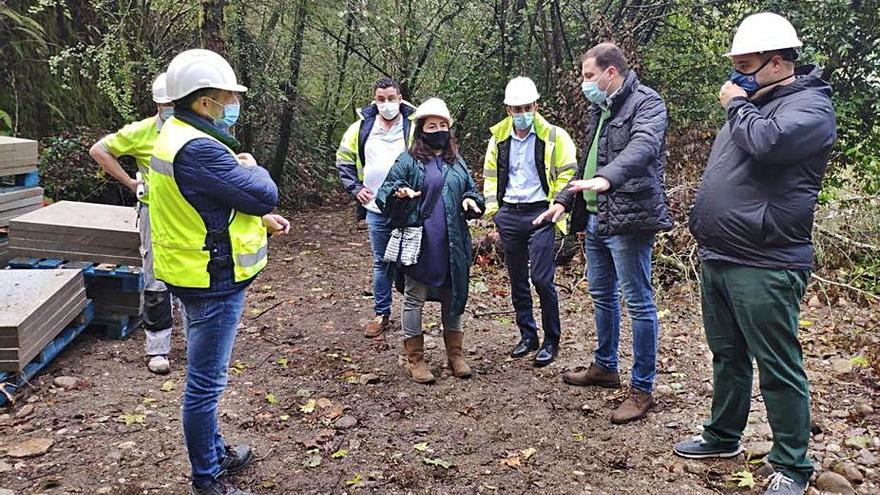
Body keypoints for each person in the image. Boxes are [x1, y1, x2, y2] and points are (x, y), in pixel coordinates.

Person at [672, 13, 836, 495]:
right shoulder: (755, 104)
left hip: (766, 260)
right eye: (736, 67)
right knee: (727, 353)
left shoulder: (810, 108)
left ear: (779, 61)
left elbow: (768, 144)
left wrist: (737, 106)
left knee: (777, 363)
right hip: (721, 253)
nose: (735, 77)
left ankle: (792, 463)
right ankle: (723, 435)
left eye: (746, 65)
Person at [151, 48, 290, 495]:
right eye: (228, 96)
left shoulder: (175, 133)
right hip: (211, 280)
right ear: (204, 101)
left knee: (204, 376)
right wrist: (254, 168)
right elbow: (263, 193)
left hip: (192, 272)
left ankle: (215, 454)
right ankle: (207, 481)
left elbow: (209, 204)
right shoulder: (199, 150)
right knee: (205, 386)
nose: (234, 103)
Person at [536, 42, 673, 423]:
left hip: (629, 218)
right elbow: (587, 164)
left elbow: (643, 148)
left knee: (639, 302)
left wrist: (605, 179)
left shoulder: (647, 103)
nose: (585, 83)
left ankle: (642, 389)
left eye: (588, 75)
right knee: (602, 296)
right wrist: (565, 199)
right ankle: (605, 367)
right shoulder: (602, 108)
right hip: (597, 219)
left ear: (610, 72)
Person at [375, 97, 484, 384]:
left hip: (453, 242)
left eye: (443, 124)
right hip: (420, 242)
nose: (438, 129)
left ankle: (455, 354)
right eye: (432, 125)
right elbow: (385, 190)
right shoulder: (408, 160)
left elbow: (473, 190)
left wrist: (472, 200)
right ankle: (416, 359)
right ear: (421, 129)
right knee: (414, 297)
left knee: (453, 295)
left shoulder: (457, 162)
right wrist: (399, 192)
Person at [482, 76, 577, 367]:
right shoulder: (498, 138)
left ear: (536, 105)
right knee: (517, 280)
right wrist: (494, 212)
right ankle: (527, 334)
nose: (523, 114)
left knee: (541, 278)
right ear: (507, 109)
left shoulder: (554, 135)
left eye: (528, 107)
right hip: (510, 213)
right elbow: (490, 176)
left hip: (541, 212)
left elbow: (569, 172)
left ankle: (551, 339)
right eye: (516, 108)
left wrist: (558, 205)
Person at [90, 72, 177, 375]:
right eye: (166, 102)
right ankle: (158, 347)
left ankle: (198, 342)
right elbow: (99, 150)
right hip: (155, 214)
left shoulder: (197, 131)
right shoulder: (141, 132)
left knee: (194, 278)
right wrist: (129, 182)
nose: (171, 106)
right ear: (157, 102)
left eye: (175, 101)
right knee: (155, 278)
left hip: (191, 215)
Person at [336, 79, 416, 338]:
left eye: (391, 98)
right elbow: (343, 160)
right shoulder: (361, 128)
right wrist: (355, 188)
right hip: (375, 208)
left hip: (408, 207)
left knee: (411, 261)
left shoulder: (413, 126)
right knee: (382, 262)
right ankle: (382, 313)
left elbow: (426, 160)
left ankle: (412, 314)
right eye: (381, 99)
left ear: (400, 98)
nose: (386, 104)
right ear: (374, 100)